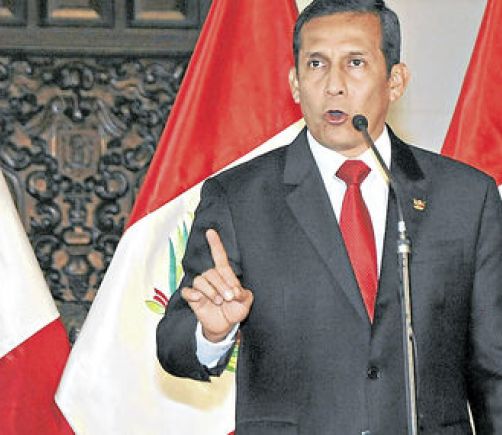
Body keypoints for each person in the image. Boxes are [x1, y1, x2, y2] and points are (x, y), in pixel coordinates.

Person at [156, 0, 502, 433]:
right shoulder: (238, 197)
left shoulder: (464, 197)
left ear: (395, 81)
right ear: (295, 83)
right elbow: (174, 346)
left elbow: (494, 366)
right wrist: (211, 334)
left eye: (355, 63)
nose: (334, 85)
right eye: (316, 64)